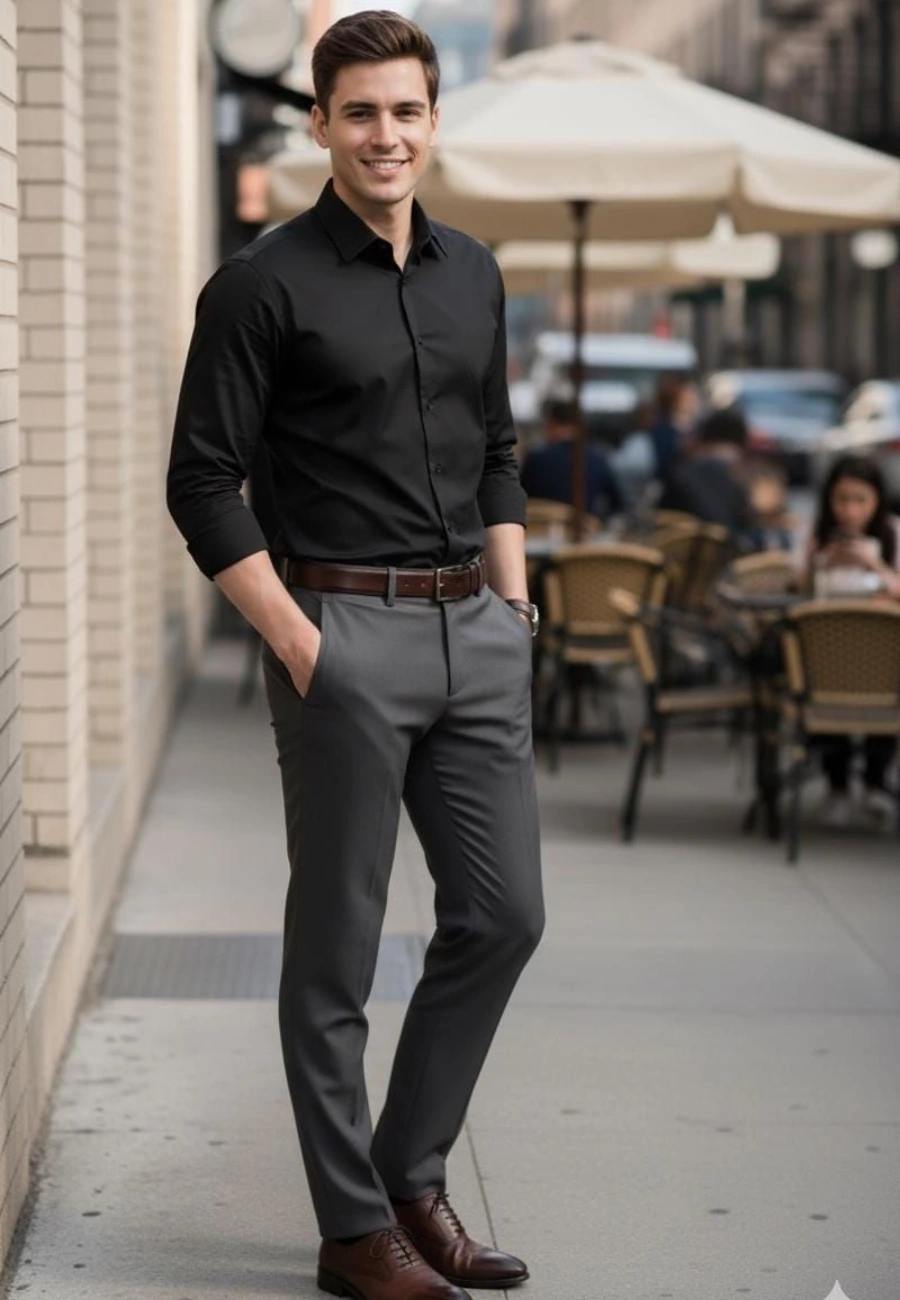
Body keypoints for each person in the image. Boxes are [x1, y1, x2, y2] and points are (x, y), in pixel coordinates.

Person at [166, 13, 544, 1300]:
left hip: (475, 636)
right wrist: (298, 642)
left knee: (503, 915)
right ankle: (350, 1233)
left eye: (408, 111)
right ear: (320, 123)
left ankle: (409, 1181)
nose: (387, 135)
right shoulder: (261, 284)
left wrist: (515, 610)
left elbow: (498, 448)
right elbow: (202, 481)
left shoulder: (475, 273)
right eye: (362, 112)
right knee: (338, 947)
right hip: (342, 633)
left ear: (437, 121)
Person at [801, 455, 900, 829]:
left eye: (860, 499)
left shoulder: (893, 535)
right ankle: (837, 785)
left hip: (884, 661)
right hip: (827, 657)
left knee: (883, 684)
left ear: (877, 500)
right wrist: (820, 563)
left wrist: (875, 566)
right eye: (842, 499)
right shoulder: (818, 536)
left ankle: (876, 782)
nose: (850, 510)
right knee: (817, 678)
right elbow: (797, 594)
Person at [658, 405, 757, 540]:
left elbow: (658, 518)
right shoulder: (743, 477)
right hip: (730, 553)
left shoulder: (682, 472)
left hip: (680, 550)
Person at [519, 396, 624, 519]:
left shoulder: (536, 459)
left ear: (552, 423)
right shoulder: (597, 460)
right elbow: (617, 504)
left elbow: (519, 498)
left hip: (540, 529)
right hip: (584, 530)